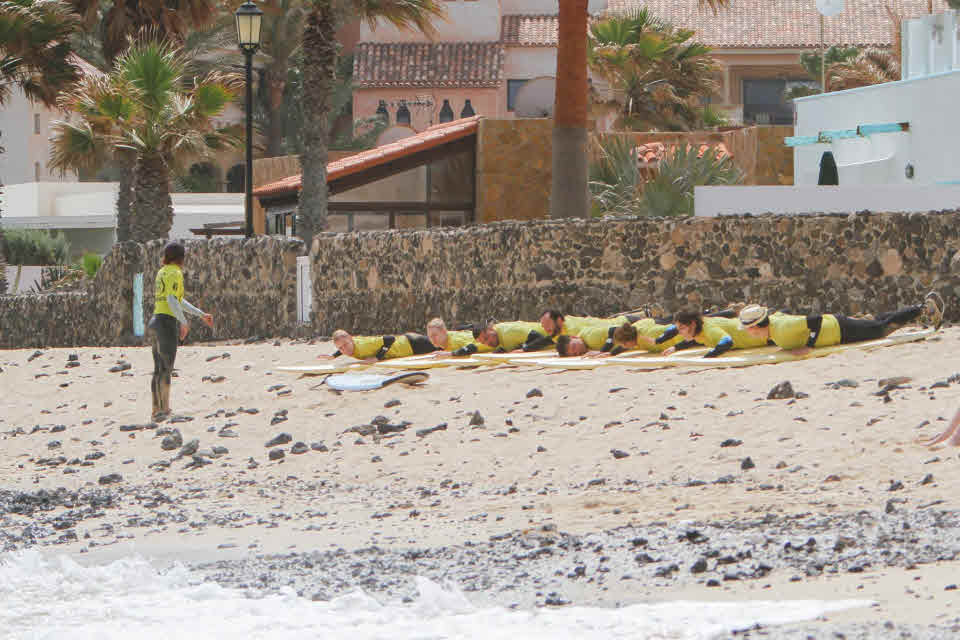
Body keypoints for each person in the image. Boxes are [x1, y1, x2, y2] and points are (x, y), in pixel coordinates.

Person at [738, 292, 944, 356]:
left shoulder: (781, 330)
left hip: (841, 331)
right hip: (837, 325)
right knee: (877, 322)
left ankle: (924, 307)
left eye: (748, 330)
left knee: (882, 329)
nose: (749, 334)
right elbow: (783, 312)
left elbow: (815, 319)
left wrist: (808, 346)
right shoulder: (773, 325)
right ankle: (920, 308)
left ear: (756, 326)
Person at [148, 242, 214, 422]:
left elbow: (178, 300)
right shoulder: (176, 273)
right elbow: (172, 300)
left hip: (155, 321)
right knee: (166, 368)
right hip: (166, 323)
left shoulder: (162, 272)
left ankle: (156, 408)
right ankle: (164, 409)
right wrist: (184, 323)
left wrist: (200, 314)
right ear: (181, 258)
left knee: (157, 369)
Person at [644, 309, 769, 358]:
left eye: (682, 328)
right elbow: (695, 340)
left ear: (692, 324)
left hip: (765, 336)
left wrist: (706, 357)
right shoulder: (700, 329)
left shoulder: (709, 328)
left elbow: (727, 342)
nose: (680, 333)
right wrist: (675, 347)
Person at [321, 330, 437, 362]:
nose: (344, 350)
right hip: (409, 343)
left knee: (445, 346)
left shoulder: (364, 346)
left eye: (345, 345)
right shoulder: (350, 344)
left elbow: (390, 339)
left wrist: (377, 357)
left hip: (413, 344)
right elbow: (344, 346)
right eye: (340, 348)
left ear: (351, 339)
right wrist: (333, 356)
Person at [425, 317, 493, 357]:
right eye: (430, 336)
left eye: (435, 335)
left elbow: (472, 348)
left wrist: (449, 353)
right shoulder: (449, 337)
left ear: (444, 331)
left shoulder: (454, 341)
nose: (432, 339)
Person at [473, 320, 551, 352]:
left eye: (486, 338)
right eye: (484, 343)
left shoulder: (508, 331)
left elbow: (541, 338)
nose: (488, 343)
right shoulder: (498, 337)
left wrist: (523, 349)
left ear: (491, 328)